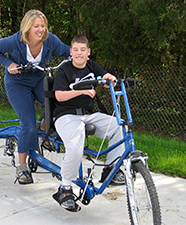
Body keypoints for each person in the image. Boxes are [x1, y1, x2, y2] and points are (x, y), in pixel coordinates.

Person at [0, 9, 70, 185]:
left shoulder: (49, 40)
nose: (40, 30)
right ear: (27, 28)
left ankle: (45, 132)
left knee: (57, 103)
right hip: (17, 83)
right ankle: (22, 166)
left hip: (38, 79)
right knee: (28, 125)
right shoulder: (15, 41)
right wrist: (8, 64)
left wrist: (79, 54)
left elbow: (65, 51)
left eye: (43, 26)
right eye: (36, 26)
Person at [52, 35, 125, 211]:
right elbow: (59, 95)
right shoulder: (64, 70)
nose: (79, 53)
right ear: (71, 52)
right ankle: (65, 187)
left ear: (88, 52)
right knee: (75, 146)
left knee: (119, 125)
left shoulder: (91, 66)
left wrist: (110, 79)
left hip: (88, 115)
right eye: (75, 49)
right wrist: (81, 91)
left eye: (82, 50)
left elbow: (105, 75)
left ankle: (111, 168)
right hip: (66, 115)